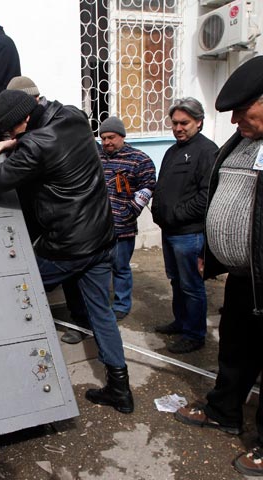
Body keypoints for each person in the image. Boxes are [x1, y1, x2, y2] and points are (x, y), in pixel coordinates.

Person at [0, 89, 133, 414]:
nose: (11, 134)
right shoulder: (74, 116)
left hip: (68, 245)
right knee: (101, 313)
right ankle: (121, 389)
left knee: (18, 291)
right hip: (101, 237)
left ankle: (10, 375)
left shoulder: (35, 145)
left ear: (26, 118)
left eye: (12, 129)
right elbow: (47, 140)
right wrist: (14, 143)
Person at [174, 55, 263, 477]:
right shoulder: (242, 142)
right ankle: (224, 410)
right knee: (235, 348)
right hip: (245, 278)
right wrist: (213, 251)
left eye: (242, 110)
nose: (233, 121)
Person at [5, 76, 89, 345]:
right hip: (36, 210)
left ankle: (78, 321)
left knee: (66, 275)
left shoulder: (61, 122)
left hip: (65, 217)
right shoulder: (34, 128)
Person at [151, 98, 217, 354]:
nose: (178, 128)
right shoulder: (173, 151)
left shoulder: (207, 151)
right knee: (176, 281)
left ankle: (194, 334)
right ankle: (181, 322)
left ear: (198, 122)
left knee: (191, 286)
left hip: (189, 234)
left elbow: (206, 195)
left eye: (184, 123)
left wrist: (177, 214)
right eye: (175, 123)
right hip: (170, 231)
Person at [98, 117, 156, 320]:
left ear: (122, 136)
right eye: (103, 138)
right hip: (97, 228)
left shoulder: (139, 160)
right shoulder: (97, 157)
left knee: (120, 268)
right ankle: (100, 305)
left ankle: (122, 305)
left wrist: (129, 211)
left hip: (123, 228)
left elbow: (148, 186)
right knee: (99, 269)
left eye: (111, 137)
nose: (107, 142)